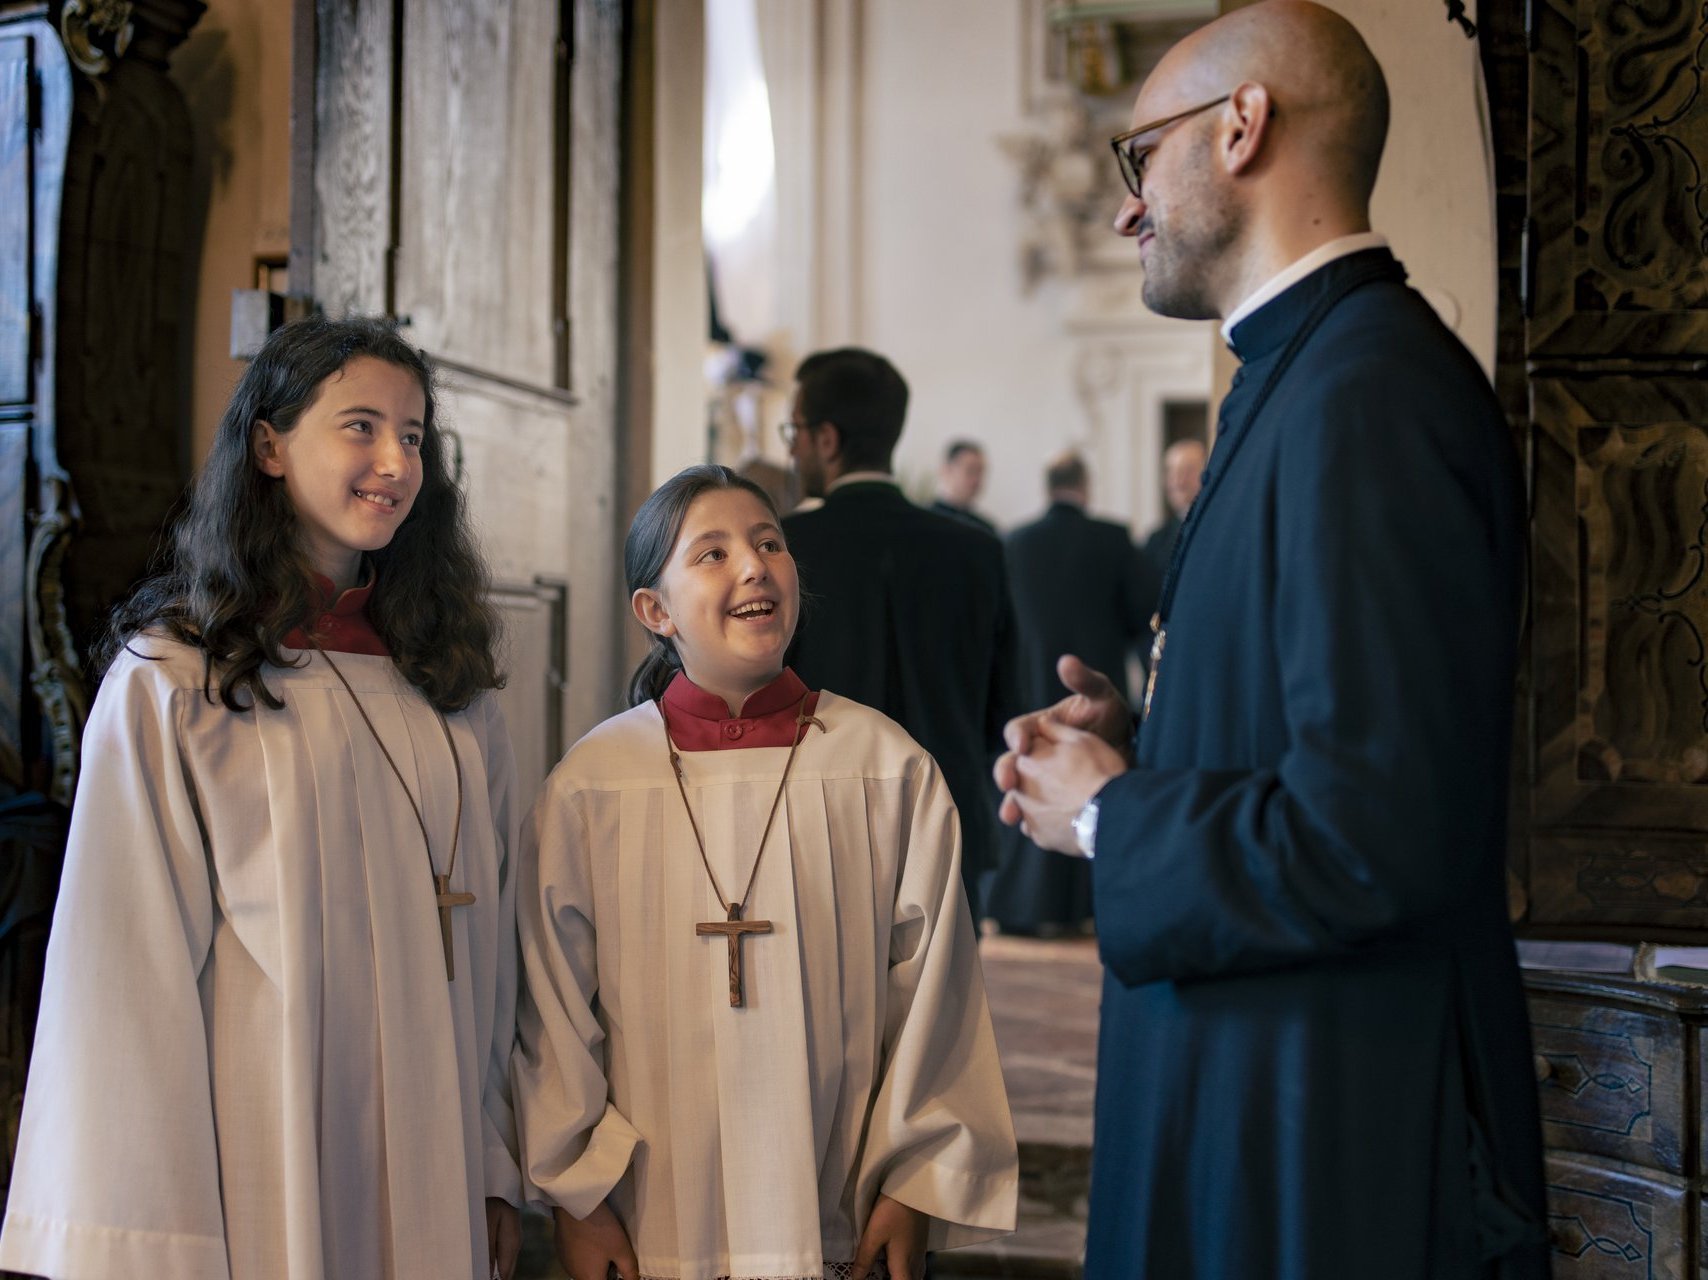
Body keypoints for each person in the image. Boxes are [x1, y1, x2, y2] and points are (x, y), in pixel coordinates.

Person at [993, 4, 1549, 1277]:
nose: (1127, 210)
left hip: (1321, 1137)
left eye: (1139, 159)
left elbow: (1374, 832)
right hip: (1266, 1094)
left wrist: (1115, 820)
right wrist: (1149, 746)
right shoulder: (1306, 375)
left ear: (1242, 126)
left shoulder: (1366, 397)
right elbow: (1333, 732)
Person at [0, 316, 523, 1279]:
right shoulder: (175, 681)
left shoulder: (450, 686)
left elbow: (493, 955)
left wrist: (492, 1159)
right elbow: (124, 979)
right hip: (264, 1142)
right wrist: (154, 1242)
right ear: (269, 444)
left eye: (413, 436)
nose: (394, 462)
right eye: (359, 426)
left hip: (436, 1130)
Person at [514, 464, 1016, 1280]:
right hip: (651, 1213)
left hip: (839, 1206)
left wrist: (916, 1182)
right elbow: (552, 1005)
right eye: (711, 553)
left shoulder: (882, 766)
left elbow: (936, 993)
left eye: (769, 544)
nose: (754, 567)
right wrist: (583, 1195)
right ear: (655, 610)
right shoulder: (594, 782)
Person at [782, 349, 1020, 913]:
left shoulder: (786, 548)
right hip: (951, 820)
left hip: (820, 824)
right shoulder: (977, 550)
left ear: (826, 439)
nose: (789, 447)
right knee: (944, 1000)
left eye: (793, 430)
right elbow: (1002, 709)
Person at [984, 452, 1150, 936]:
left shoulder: (1016, 542)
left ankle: (1023, 907)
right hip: (1092, 689)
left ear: (1048, 485)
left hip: (1029, 684)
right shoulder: (1112, 540)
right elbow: (1146, 619)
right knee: (1088, 781)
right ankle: (1087, 907)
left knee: (1032, 773)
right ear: (1085, 485)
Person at [1139, 437, 1205, 579]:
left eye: (1188, 470)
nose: (1178, 481)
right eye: (1171, 472)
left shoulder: (1223, 530)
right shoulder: (1156, 540)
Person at [930, 439, 997, 535]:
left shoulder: (986, 529)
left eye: (980, 472)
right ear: (946, 470)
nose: (977, 480)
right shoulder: (925, 522)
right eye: (971, 470)